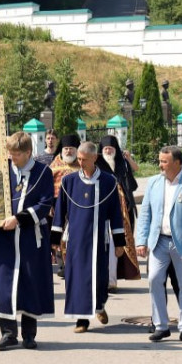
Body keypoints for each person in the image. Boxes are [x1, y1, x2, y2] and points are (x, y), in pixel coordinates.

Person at [135, 145, 182, 342]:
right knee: (154, 279)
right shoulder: (153, 183)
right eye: (160, 161)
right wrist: (141, 241)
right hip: (159, 241)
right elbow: (145, 213)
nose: (160, 165)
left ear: (177, 163)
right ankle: (161, 325)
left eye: (164, 161)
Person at [0, 132, 55, 350]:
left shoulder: (43, 172)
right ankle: (8, 333)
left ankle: (29, 334)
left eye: (17, 154)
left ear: (28, 152)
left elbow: (45, 204)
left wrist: (19, 219)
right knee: (3, 283)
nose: (12, 157)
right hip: (3, 236)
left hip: (30, 236)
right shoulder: (2, 171)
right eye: (10, 153)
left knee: (30, 282)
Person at [51, 141, 125, 333]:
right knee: (76, 278)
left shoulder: (109, 182)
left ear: (95, 158)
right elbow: (60, 211)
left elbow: (116, 214)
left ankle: (99, 305)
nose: (80, 163)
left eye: (84, 159)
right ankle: (81, 320)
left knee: (99, 278)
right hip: (76, 240)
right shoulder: (69, 181)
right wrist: (54, 239)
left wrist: (119, 242)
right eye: (79, 159)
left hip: (99, 239)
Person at [98, 135, 141, 286]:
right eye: (105, 148)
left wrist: (128, 159)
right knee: (106, 245)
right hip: (104, 212)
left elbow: (135, 172)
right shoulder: (97, 165)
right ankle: (107, 279)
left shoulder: (122, 163)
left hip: (124, 213)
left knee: (120, 245)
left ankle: (113, 279)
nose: (108, 151)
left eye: (111, 148)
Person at [49, 134, 81, 276]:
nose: (68, 151)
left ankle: (72, 262)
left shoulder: (82, 165)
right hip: (57, 205)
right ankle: (62, 265)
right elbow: (47, 187)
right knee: (59, 234)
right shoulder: (54, 165)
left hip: (77, 206)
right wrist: (49, 205)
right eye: (66, 148)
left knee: (74, 235)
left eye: (71, 149)